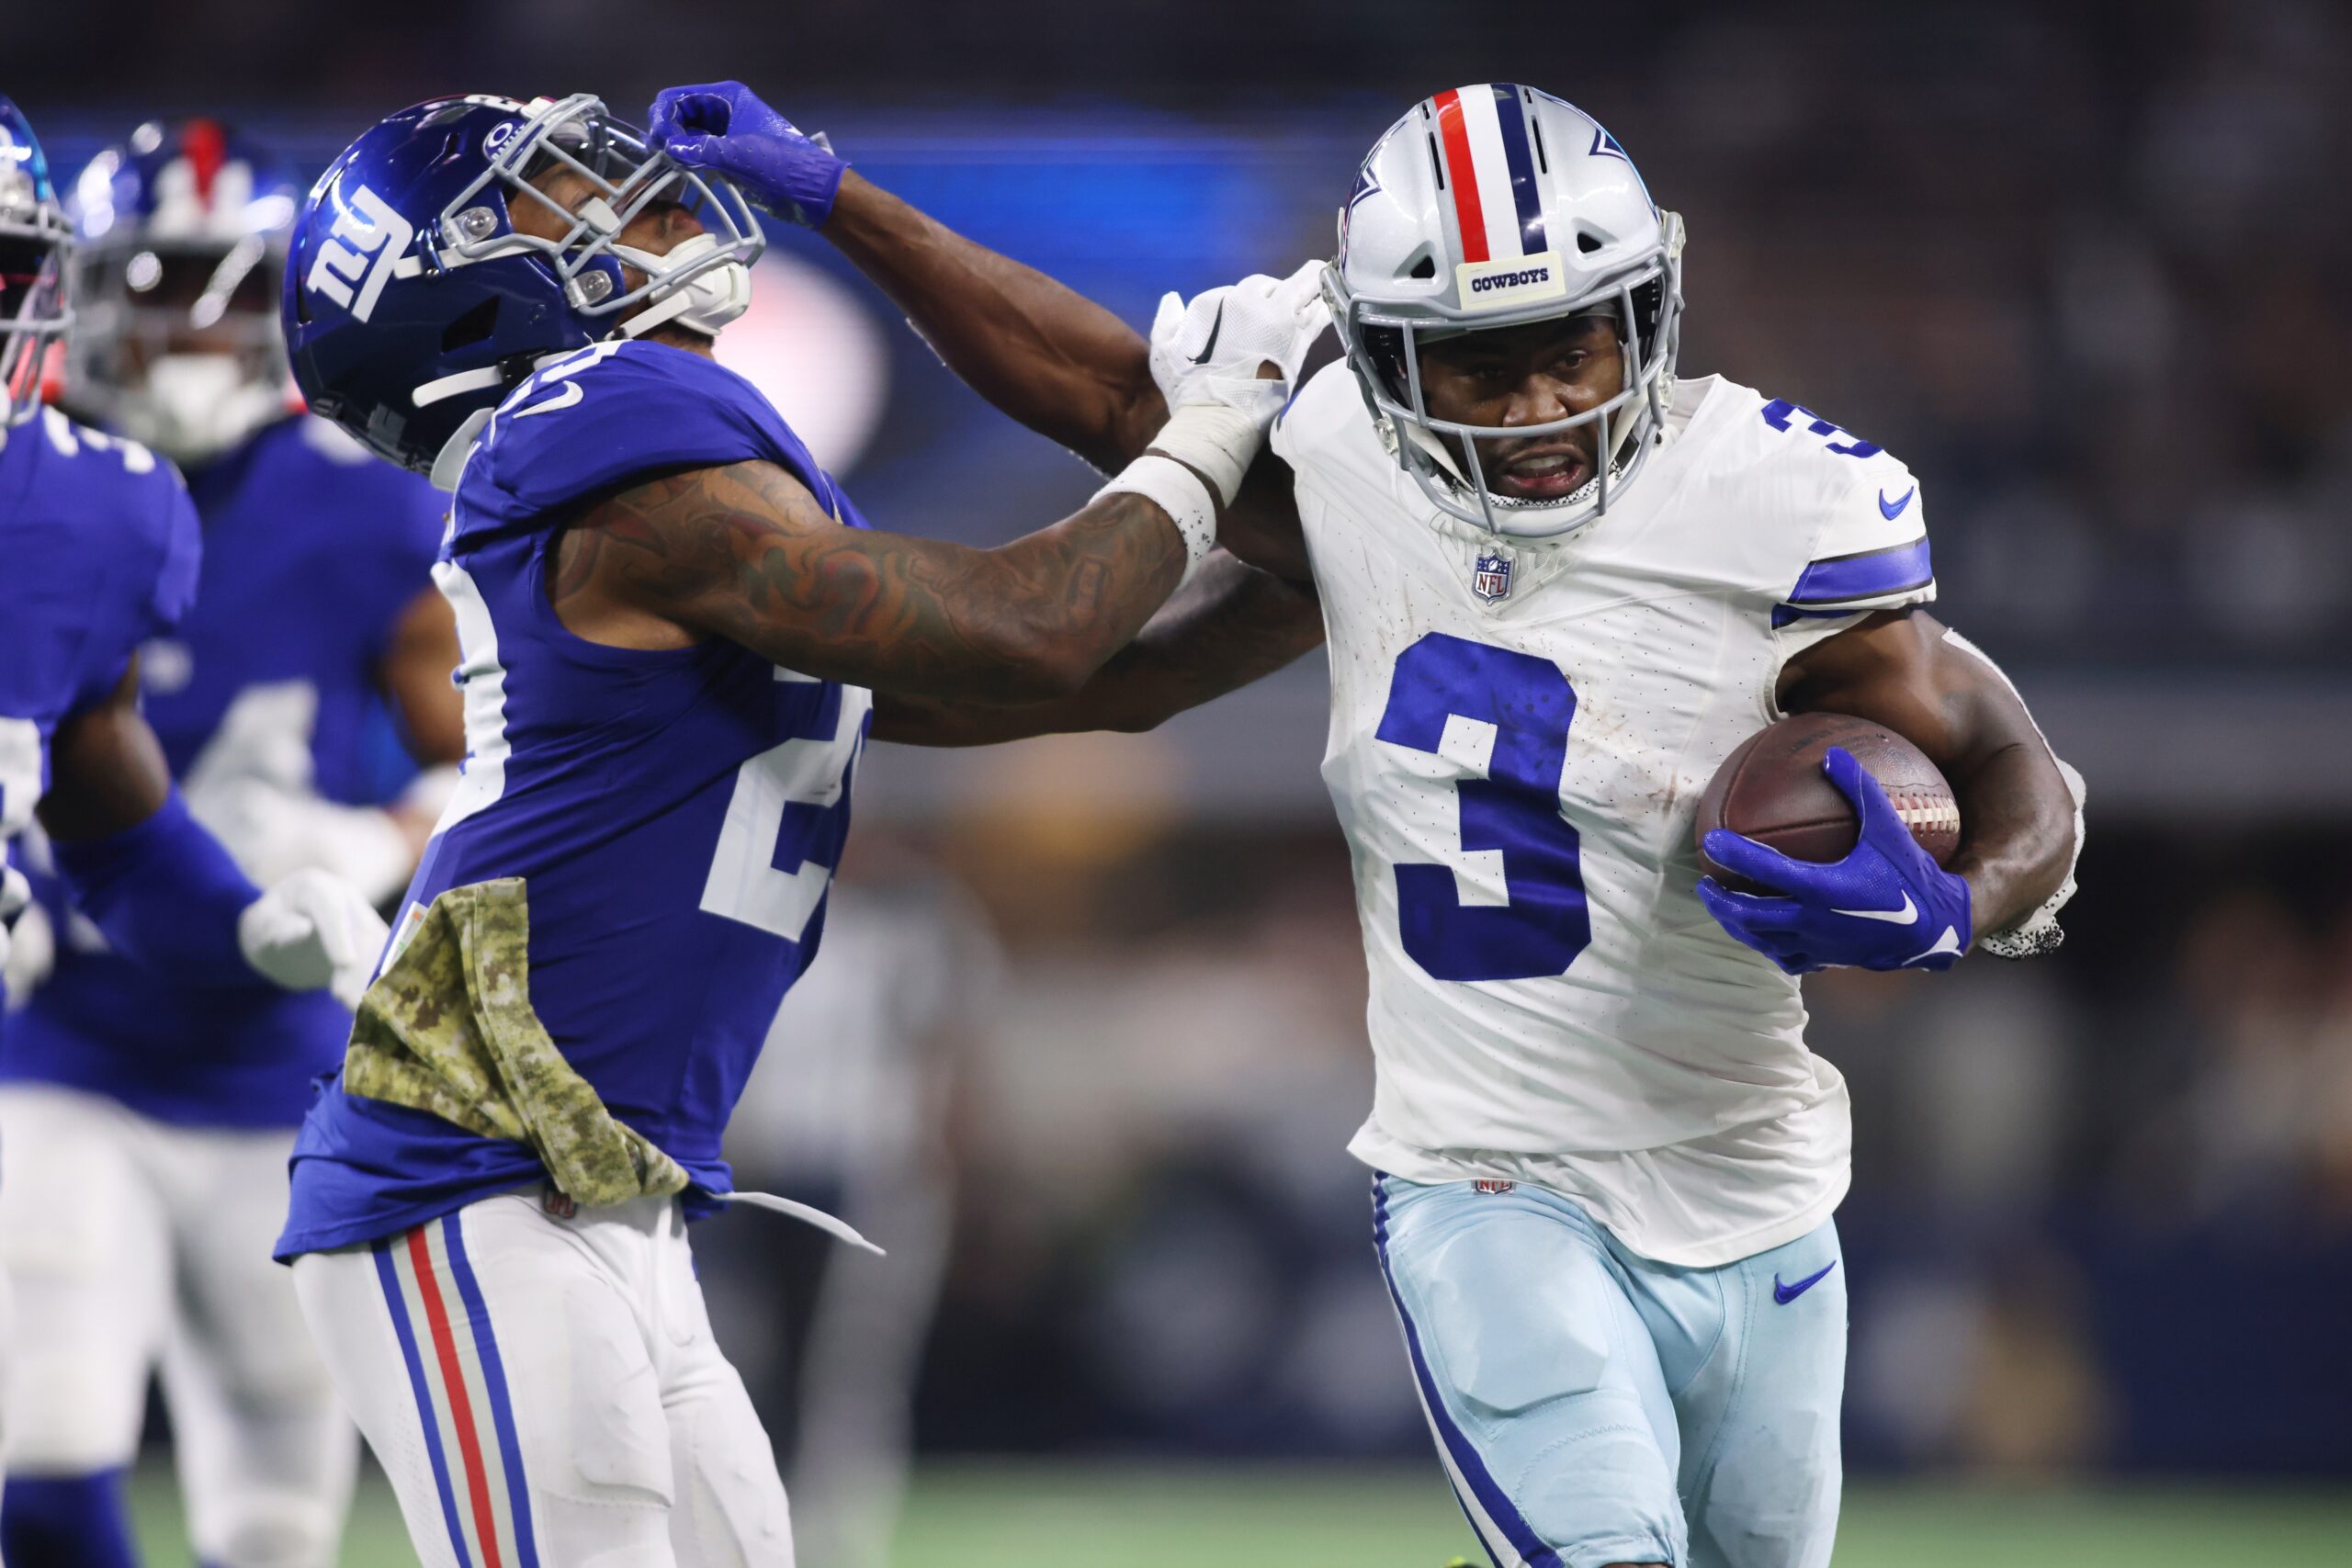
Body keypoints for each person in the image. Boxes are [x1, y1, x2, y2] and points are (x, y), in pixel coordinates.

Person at [656, 80, 2086, 1568]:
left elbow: (2007, 759)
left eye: (1571, 349)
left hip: (1760, 1184)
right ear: (1392, 361)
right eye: (1480, 368)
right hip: (1492, 1182)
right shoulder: (1354, 467)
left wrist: (1960, 906)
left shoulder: (1782, 502)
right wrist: (842, 201)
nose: (1537, 408)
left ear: (1647, 314)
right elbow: (1090, 393)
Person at [268, 90, 1316, 1565]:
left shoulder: (691, 511)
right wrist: (1214, 430)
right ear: (458, 305)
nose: (630, 195)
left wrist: (1346, 560)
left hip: (598, 1190)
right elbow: (1032, 629)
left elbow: (1109, 678)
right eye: (560, 196)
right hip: (466, 1168)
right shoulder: (617, 462)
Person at [0, 118, 464, 1568]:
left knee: (275, 1519)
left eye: (234, 287)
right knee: (46, 1436)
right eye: (162, 280)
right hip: (56, 1045)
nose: (199, 328)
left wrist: (345, 859)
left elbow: (115, 818)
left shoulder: (96, 507)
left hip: (270, 1063)